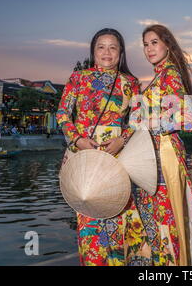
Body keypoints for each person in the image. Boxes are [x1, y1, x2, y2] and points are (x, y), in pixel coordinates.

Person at [56, 28, 149, 266]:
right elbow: (63, 114)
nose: (106, 52)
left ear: (121, 52)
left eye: (113, 47)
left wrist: (122, 140)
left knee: (121, 221)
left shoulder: (131, 83)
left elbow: (139, 119)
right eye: (101, 46)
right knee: (89, 222)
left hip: (118, 159)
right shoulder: (78, 78)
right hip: (84, 158)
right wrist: (77, 140)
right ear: (93, 51)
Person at [132, 24, 192, 266]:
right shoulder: (161, 75)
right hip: (155, 153)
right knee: (162, 217)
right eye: (145, 44)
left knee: (165, 218)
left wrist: (145, 123)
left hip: (164, 153)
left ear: (167, 43)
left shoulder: (169, 73)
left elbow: (184, 117)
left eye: (154, 42)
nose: (149, 49)